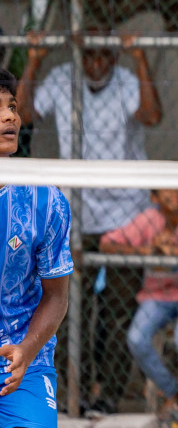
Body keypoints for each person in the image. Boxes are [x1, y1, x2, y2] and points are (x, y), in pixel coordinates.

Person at [17, 29, 160, 414]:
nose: (96, 63)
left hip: (125, 214)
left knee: (116, 311)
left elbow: (152, 115)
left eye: (104, 56)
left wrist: (141, 59)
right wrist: (33, 58)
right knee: (65, 306)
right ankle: (67, 392)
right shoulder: (63, 78)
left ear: (114, 57)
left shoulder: (128, 80)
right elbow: (24, 114)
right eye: (89, 55)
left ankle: (107, 396)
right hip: (76, 212)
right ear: (80, 56)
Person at [100, 188, 178, 426]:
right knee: (137, 338)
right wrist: (149, 251)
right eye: (166, 191)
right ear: (154, 197)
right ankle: (172, 393)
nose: (174, 195)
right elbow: (107, 243)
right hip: (157, 294)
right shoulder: (150, 218)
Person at [0, 69, 73, 428]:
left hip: (21, 360)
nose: (10, 116)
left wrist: (26, 351)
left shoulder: (45, 199)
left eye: (12, 106)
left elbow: (57, 297)